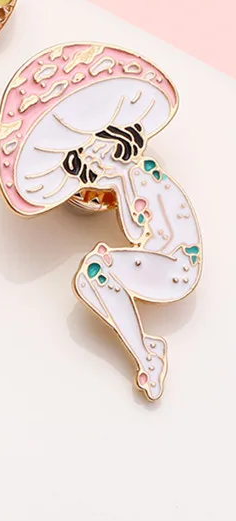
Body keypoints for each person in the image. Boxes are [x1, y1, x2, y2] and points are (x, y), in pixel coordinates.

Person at [66, 123, 202, 399]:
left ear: (117, 143)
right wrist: (117, 183)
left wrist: (120, 262)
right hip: (161, 263)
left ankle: (147, 358)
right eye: (90, 160)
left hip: (177, 264)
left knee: (96, 270)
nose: (95, 161)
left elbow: (159, 236)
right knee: (84, 281)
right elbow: (137, 234)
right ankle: (146, 349)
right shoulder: (126, 181)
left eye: (96, 151)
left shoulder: (143, 173)